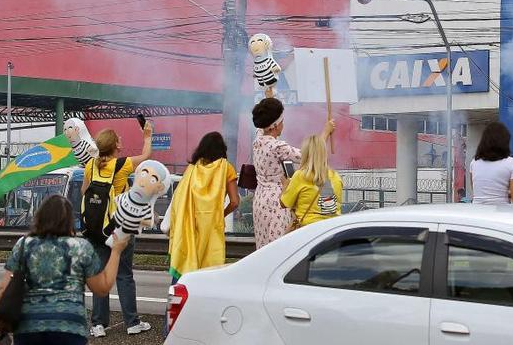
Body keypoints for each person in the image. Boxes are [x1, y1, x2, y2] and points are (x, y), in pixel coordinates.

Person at [0, 195, 128, 345]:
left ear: (39, 217)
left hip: (29, 328)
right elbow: (102, 289)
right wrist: (116, 251)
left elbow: (3, 289)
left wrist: (0, 328)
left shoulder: (24, 245)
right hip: (69, 328)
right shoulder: (81, 247)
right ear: (69, 221)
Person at [80, 126, 153, 337]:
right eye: (119, 138)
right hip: (121, 228)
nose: (121, 139)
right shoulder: (122, 165)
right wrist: (147, 136)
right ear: (116, 146)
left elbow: (84, 192)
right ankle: (131, 323)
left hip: (95, 230)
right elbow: (147, 155)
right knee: (124, 275)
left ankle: (98, 325)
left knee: (100, 274)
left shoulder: (90, 166)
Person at [251, 97, 334, 248]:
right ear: (275, 125)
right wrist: (326, 132)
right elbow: (309, 154)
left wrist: (270, 95)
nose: (284, 124)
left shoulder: (257, 139)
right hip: (278, 200)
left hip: (260, 199)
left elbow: (262, 123)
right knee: (279, 246)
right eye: (282, 121)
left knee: (263, 246)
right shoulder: (278, 147)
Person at [166, 132, 240, 280]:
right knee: (210, 265)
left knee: (186, 261)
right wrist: (220, 214)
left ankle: (177, 300)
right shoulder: (226, 168)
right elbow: (234, 202)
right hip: (212, 226)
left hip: (189, 224)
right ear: (222, 149)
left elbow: (179, 198)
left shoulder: (192, 168)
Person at [280, 135, 344, 226]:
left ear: (305, 153)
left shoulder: (300, 176)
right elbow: (333, 206)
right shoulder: (335, 176)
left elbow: (283, 203)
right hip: (332, 230)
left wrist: (285, 185)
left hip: (309, 231)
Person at [469, 122, 513, 205]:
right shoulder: (512, 163)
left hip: (477, 211)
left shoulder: (474, 162)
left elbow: (475, 189)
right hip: (500, 213)